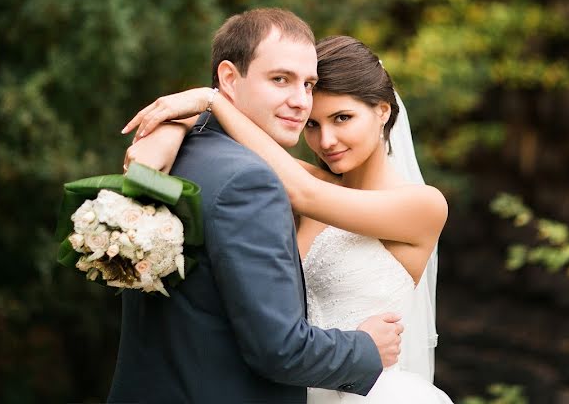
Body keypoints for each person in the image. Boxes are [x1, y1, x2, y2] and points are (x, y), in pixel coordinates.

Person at [124, 33, 453, 403]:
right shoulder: (308, 183)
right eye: (312, 125)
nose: (326, 140)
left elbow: (302, 192)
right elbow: (232, 145)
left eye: (342, 118)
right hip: (293, 388)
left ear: (383, 110)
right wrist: (174, 128)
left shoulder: (423, 205)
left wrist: (211, 99)